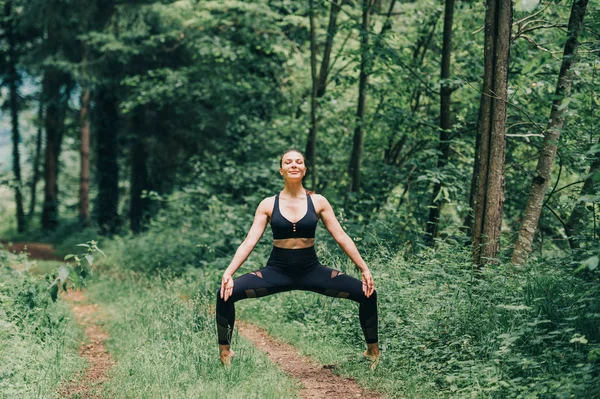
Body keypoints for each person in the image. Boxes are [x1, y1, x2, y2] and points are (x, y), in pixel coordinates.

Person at [216, 149, 379, 369]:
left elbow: (341, 237)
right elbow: (249, 242)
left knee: (367, 292)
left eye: (299, 162)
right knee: (225, 294)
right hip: (276, 272)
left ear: (304, 169)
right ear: (281, 170)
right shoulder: (267, 204)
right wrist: (229, 272)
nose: (294, 165)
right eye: (288, 162)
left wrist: (364, 268)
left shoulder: (318, 201)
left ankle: (372, 352)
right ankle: (225, 354)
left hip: (311, 271)